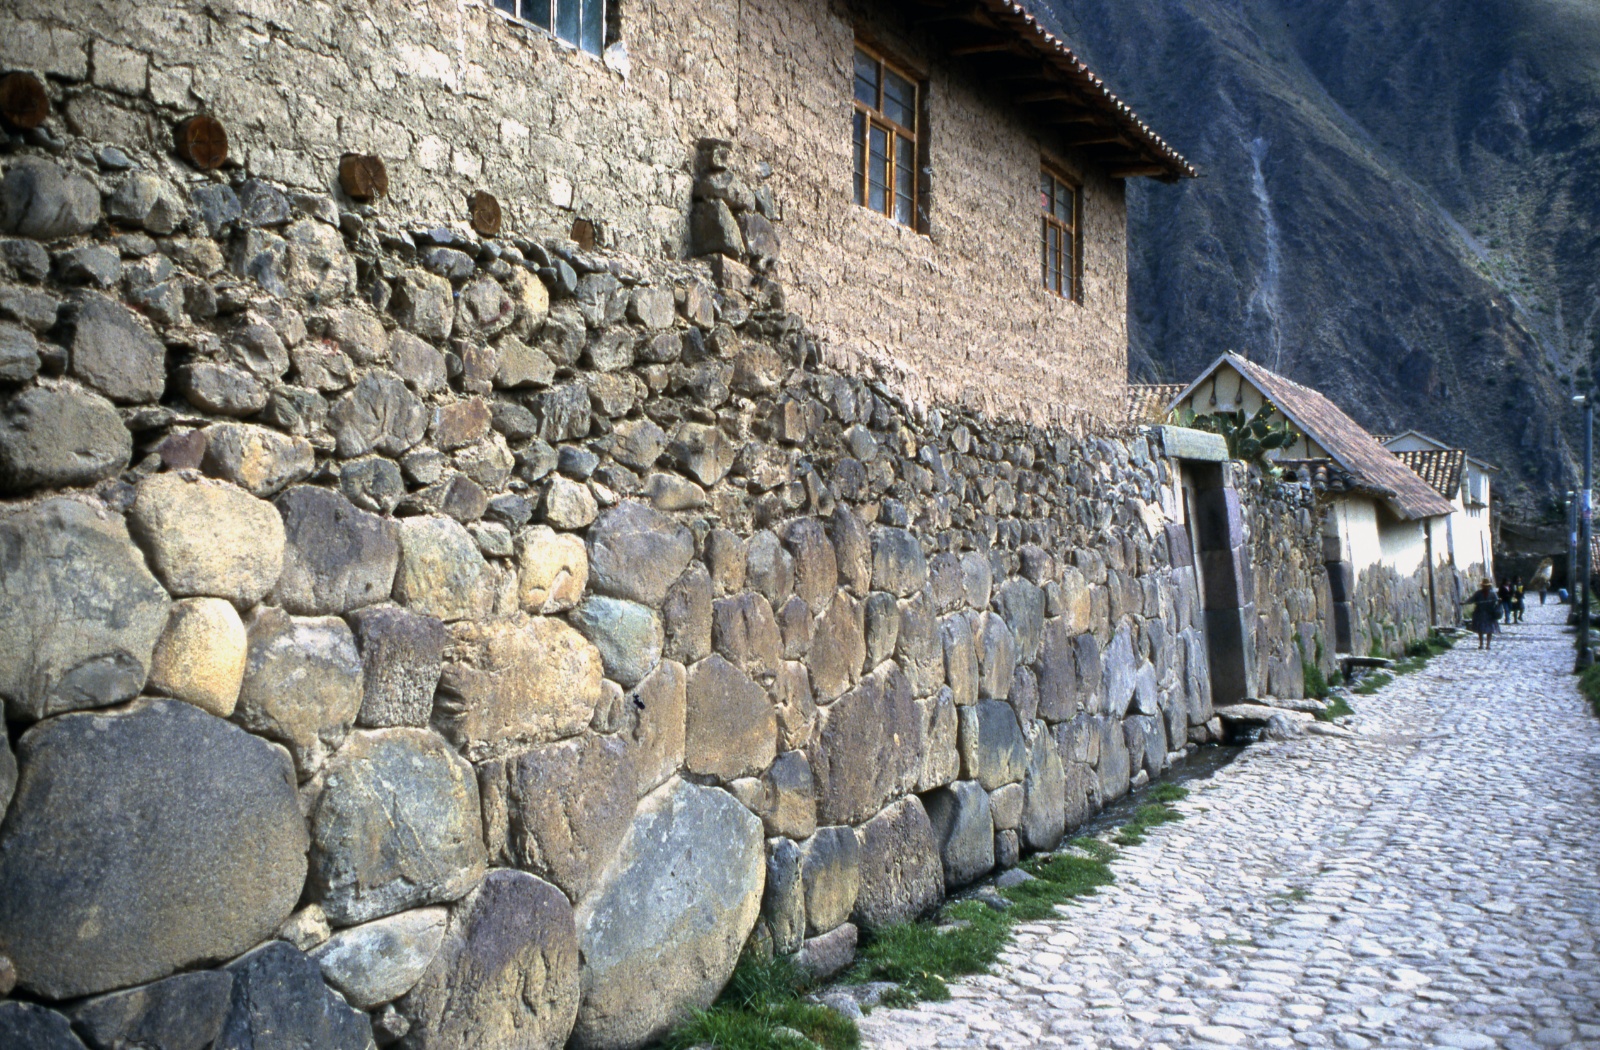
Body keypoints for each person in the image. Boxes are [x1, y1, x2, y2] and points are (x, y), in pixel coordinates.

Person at [1467, 580, 1500, 650]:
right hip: (1480, 613)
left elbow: (1497, 601)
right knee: (1480, 630)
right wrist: (1465, 602)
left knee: (1490, 630)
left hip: (1490, 613)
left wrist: (1499, 601)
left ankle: (1488, 644)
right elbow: (1472, 599)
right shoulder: (1478, 593)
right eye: (1484, 586)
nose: (1486, 587)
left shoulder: (1492, 594)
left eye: (1487, 586)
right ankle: (1481, 644)